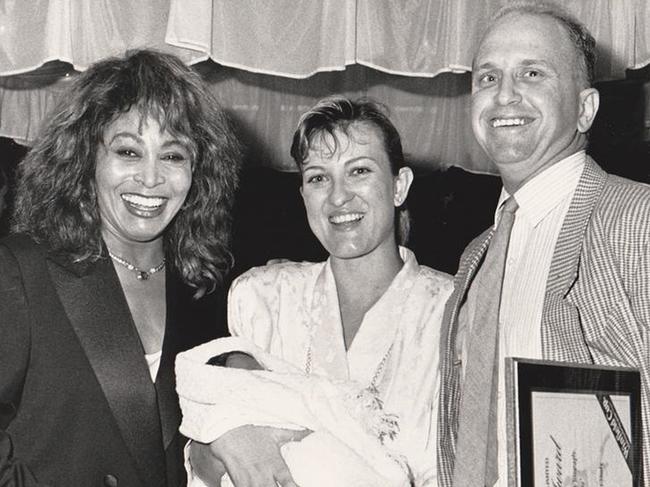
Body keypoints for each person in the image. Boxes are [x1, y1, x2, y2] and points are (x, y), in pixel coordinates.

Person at [182, 96, 453, 487]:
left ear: (399, 186)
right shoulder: (262, 298)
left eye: (359, 171)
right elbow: (201, 457)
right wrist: (225, 437)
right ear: (303, 194)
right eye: (318, 177)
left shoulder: (453, 310)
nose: (338, 196)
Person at [0, 49, 242, 486]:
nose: (151, 179)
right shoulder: (19, 269)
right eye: (129, 151)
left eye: (172, 156)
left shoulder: (202, 287)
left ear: (198, 171)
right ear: (84, 157)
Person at [437, 3, 650, 486]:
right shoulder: (476, 257)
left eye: (531, 73)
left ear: (584, 108)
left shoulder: (638, 220)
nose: (504, 95)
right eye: (487, 78)